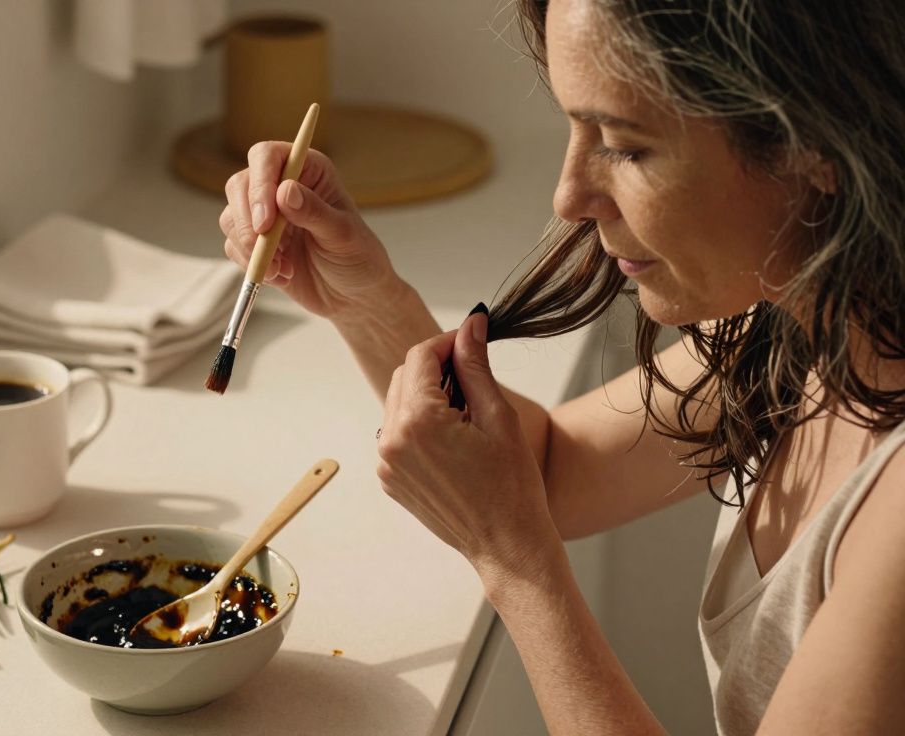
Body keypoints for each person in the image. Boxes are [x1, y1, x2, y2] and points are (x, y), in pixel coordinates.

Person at [217, 0, 905, 733]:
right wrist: (365, 298)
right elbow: (552, 472)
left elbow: (525, 506)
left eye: (626, 146)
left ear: (815, 147)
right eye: (576, 129)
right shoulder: (800, 331)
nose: (568, 197)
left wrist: (516, 567)